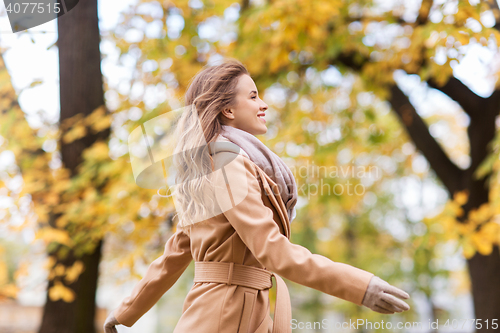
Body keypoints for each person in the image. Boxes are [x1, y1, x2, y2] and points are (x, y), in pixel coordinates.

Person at [103, 59, 410, 333]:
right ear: (228, 109)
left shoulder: (212, 163)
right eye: (252, 96)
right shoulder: (225, 163)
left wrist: (125, 312)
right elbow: (273, 250)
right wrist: (361, 286)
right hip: (228, 314)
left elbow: (176, 252)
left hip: (232, 311)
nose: (263, 104)